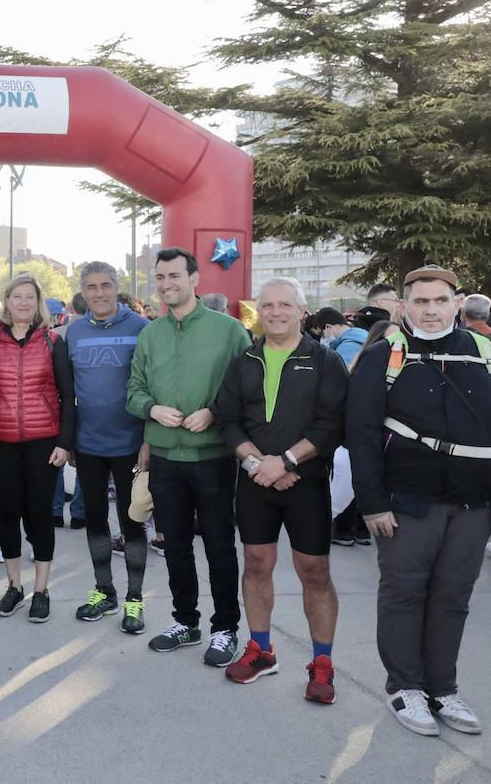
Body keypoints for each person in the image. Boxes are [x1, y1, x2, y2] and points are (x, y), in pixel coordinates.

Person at [346, 265, 491, 736]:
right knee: (404, 593)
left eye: (439, 301)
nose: (430, 310)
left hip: (474, 502)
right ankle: (405, 688)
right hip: (406, 501)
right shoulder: (385, 355)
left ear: (456, 303)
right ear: (404, 306)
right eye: (419, 301)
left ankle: (442, 689)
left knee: (452, 598)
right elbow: (361, 434)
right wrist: (372, 502)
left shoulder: (485, 351)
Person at [215, 277, 348, 703]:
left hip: (305, 482)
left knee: (315, 572)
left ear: (301, 311)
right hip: (255, 480)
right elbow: (227, 419)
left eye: (284, 305)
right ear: (258, 311)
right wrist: (259, 464)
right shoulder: (245, 359)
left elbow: (332, 423)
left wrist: (286, 462)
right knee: (256, 564)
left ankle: (322, 664)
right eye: (267, 305)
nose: (275, 311)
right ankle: (261, 650)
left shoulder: (325, 360)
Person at [126, 247, 251, 667]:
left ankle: (225, 628)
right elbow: (134, 390)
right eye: (160, 277)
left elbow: (246, 389)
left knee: (219, 545)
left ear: (195, 279)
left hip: (213, 456)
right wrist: (151, 409)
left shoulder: (230, 331)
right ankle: (185, 620)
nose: (167, 284)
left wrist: (214, 412)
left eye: (175, 276)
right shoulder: (150, 334)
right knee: (175, 544)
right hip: (164, 456)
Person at [0, 275, 74, 623]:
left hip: (42, 441)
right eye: (16, 297)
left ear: (38, 302)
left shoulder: (51, 342)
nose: (22, 303)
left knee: (39, 514)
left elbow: (67, 395)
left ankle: (42, 591)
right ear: (6, 301)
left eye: (29, 297)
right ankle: (14, 586)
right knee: (6, 513)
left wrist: (65, 442)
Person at [64, 261, 151, 634]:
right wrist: (67, 442)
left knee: (132, 522)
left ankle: (134, 598)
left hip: (131, 445)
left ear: (117, 287)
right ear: (83, 291)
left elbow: (154, 388)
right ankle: (105, 591)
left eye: (106, 285)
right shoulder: (72, 332)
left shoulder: (142, 328)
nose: (99, 293)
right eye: (91, 287)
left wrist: (149, 441)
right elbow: (65, 393)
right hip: (89, 446)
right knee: (95, 521)